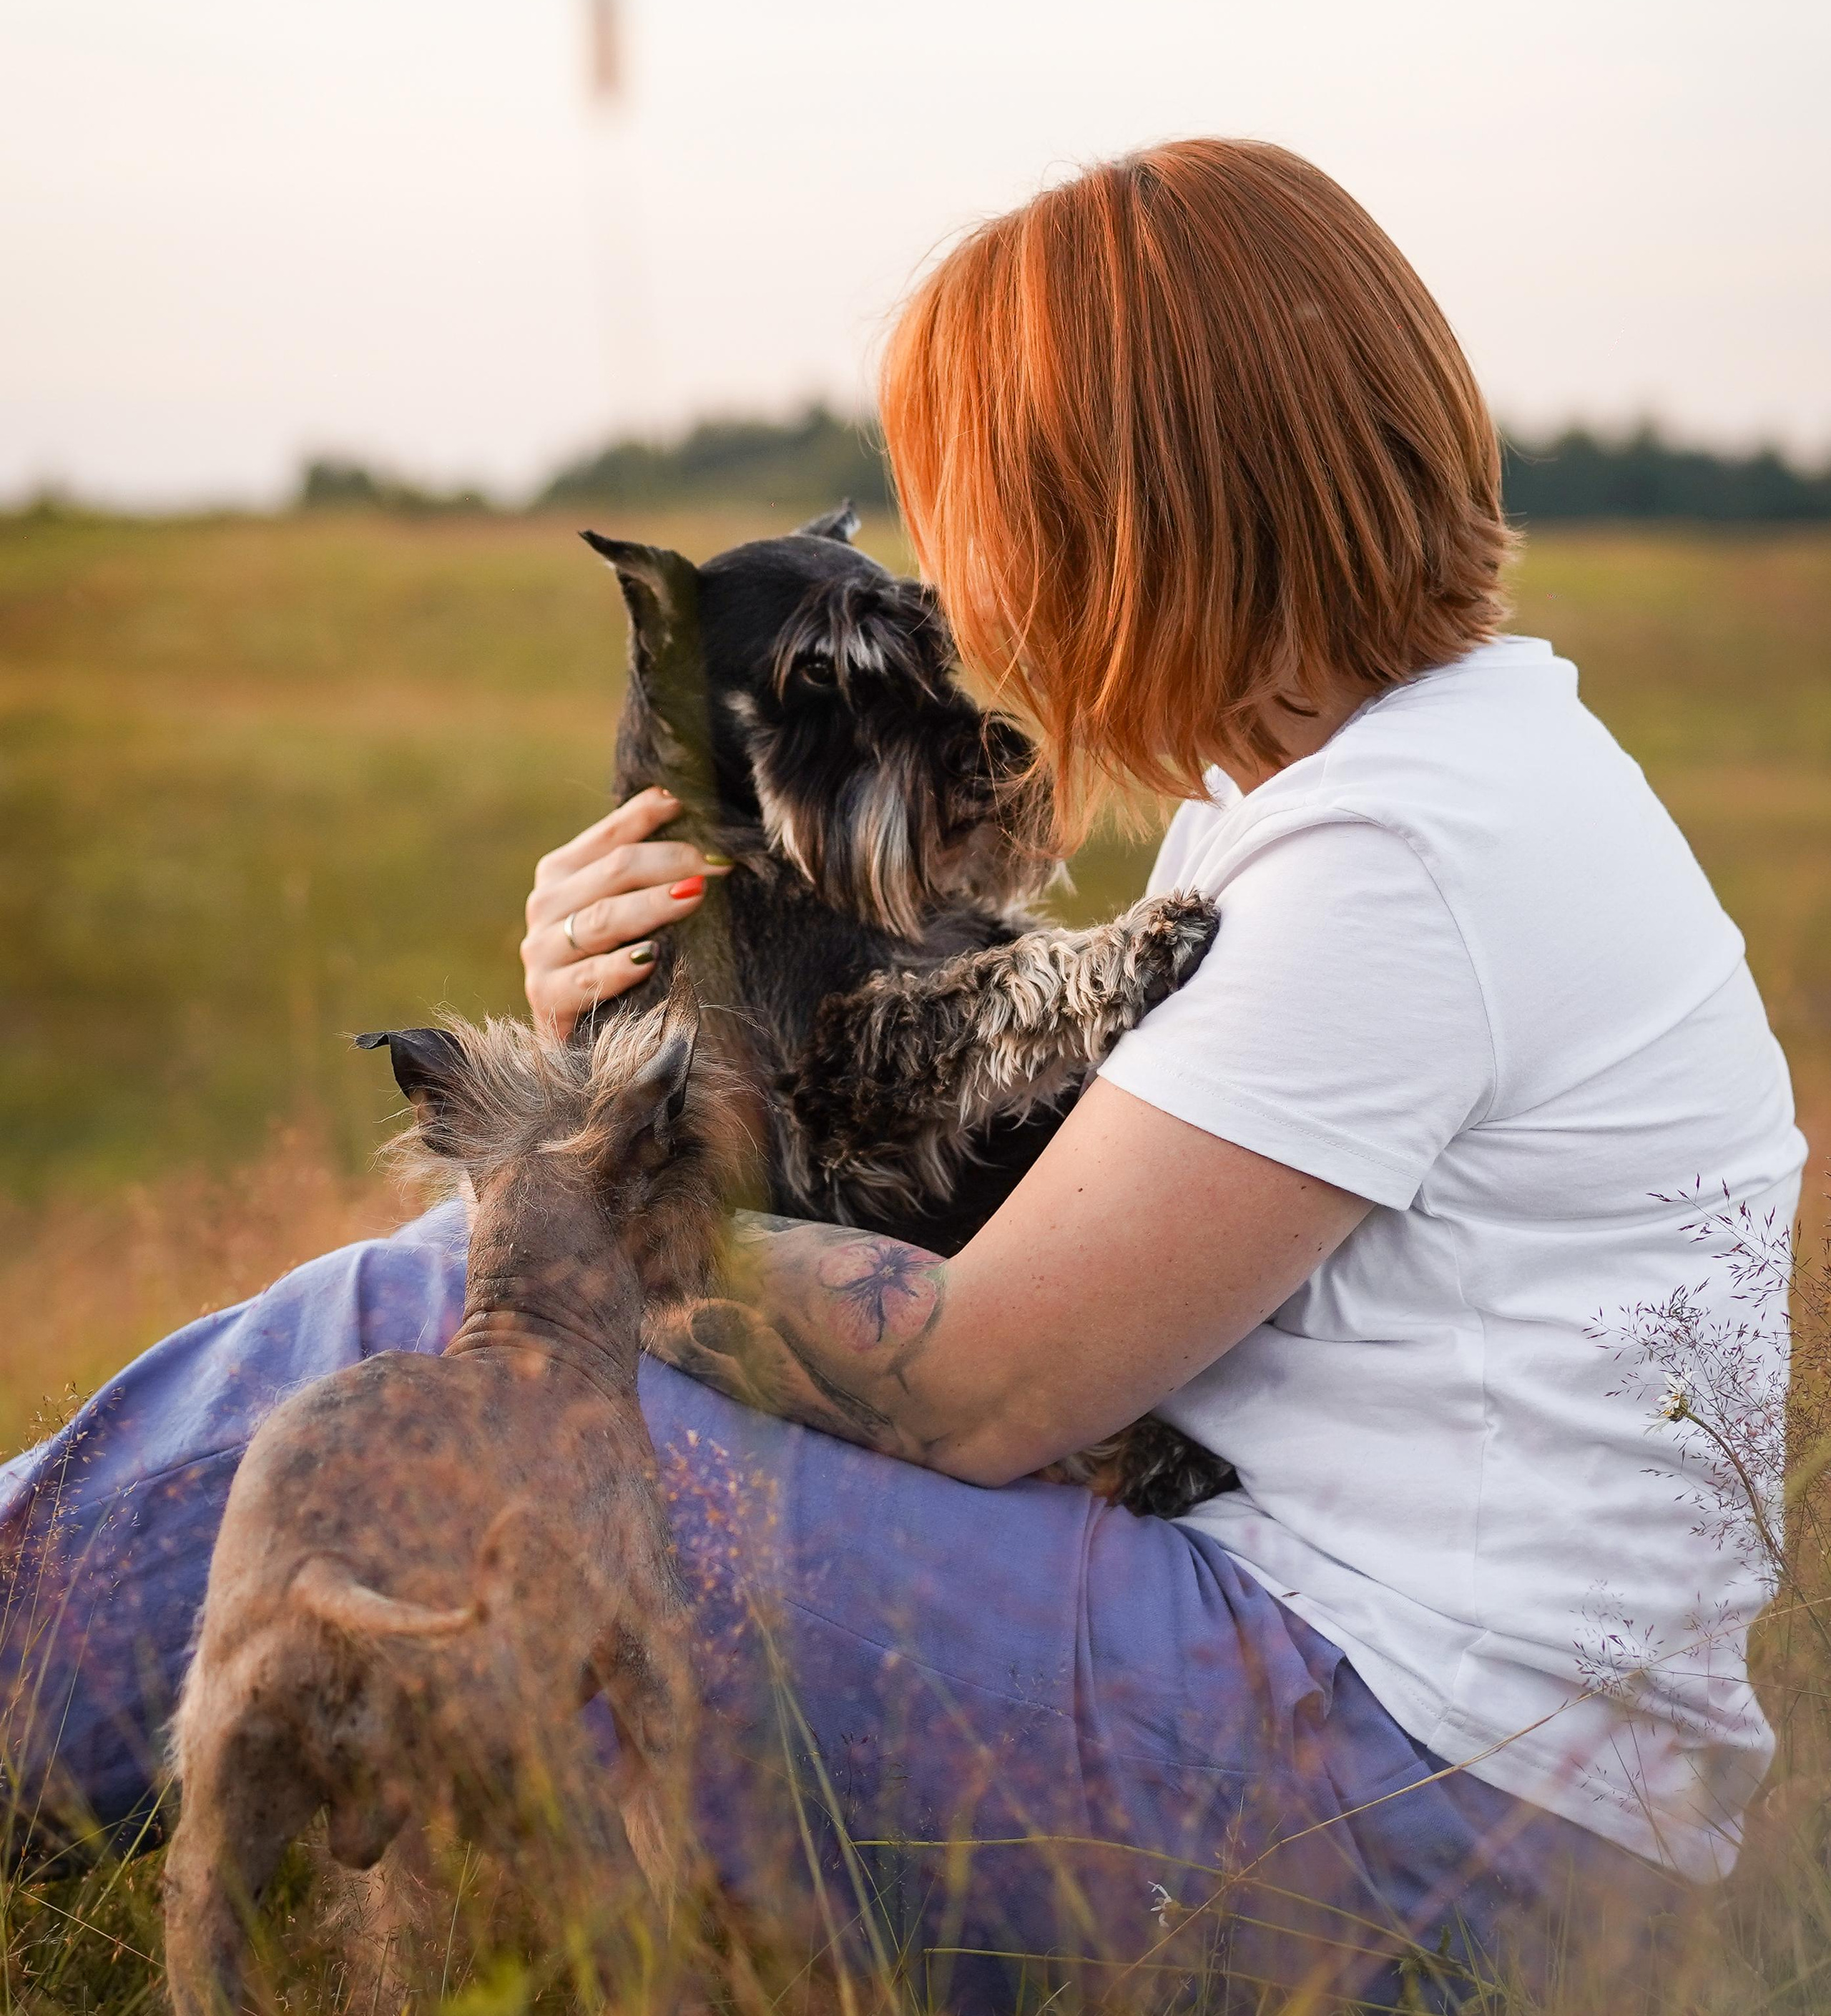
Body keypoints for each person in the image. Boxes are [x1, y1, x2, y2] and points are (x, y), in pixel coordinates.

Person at [1, 142, 1803, 2008]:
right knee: (512, 1355)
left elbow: (977, 1380)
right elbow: (957, 1196)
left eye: (984, 510)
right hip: (1424, 1751)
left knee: (423, 1345)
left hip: (1420, 1819)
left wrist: (569, 1202)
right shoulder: (1363, 796)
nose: (963, 583)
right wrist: (622, 1026)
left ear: (1134, 514)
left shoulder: (1407, 855)